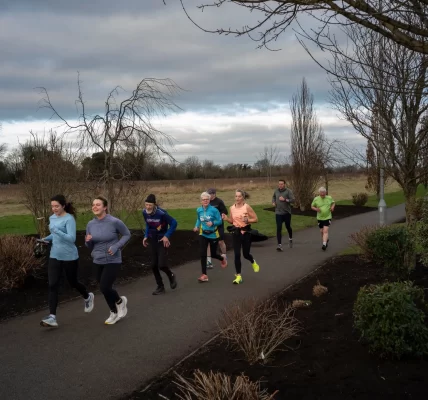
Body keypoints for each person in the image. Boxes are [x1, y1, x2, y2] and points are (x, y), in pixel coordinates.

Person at [40, 195, 94, 328]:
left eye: (57, 206)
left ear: (63, 206)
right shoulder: (52, 218)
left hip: (69, 256)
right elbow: (54, 234)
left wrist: (57, 231)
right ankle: (52, 317)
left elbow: (71, 239)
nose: (54, 209)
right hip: (55, 255)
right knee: (52, 285)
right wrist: (45, 239)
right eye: (52, 206)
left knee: (73, 282)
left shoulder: (69, 219)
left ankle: (87, 296)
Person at [85, 196, 131, 325]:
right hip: (97, 259)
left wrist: (116, 246)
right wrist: (87, 241)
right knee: (105, 288)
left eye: (98, 205)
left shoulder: (114, 222)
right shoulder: (90, 224)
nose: (95, 207)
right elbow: (90, 245)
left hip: (113, 259)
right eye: (93, 205)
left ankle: (113, 312)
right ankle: (120, 302)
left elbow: (127, 234)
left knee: (104, 286)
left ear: (105, 207)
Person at [142, 193, 178, 295]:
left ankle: (171, 275)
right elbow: (148, 225)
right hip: (152, 240)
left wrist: (167, 235)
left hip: (162, 240)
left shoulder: (162, 213)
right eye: (146, 205)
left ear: (154, 204)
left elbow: (174, 223)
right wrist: (145, 236)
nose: (148, 207)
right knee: (153, 265)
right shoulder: (144, 212)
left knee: (161, 265)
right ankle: (160, 287)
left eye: (150, 205)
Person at [221, 189, 259, 284]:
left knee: (246, 254)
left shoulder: (247, 207)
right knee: (237, 255)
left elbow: (255, 219)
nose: (237, 198)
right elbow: (232, 221)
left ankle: (253, 261)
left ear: (243, 197)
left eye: (239, 196)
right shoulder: (231, 208)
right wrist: (226, 219)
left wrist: (247, 220)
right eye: (236, 196)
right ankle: (238, 276)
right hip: (236, 233)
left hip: (246, 233)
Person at [193, 192, 227, 282]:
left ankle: (222, 258)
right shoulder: (199, 210)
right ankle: (204, 275)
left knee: (213, 254)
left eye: (207, 199)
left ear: (209, 200)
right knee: (202, 253)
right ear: (201, 201)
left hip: (213, 234)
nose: (205, 201)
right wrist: (196, 226)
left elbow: (219, 221)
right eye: (203, 199)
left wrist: (213, 223)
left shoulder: (214, 210)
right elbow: (198, 219)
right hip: (203, 234)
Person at [206, 188, 228, 268]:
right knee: (208, 242)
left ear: (213, 194)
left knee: (220, 241)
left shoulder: (219, 202)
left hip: (218, 225)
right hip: (209, 225)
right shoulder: (207, 202)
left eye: (209, 194)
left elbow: (225, 211)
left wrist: (219, 216)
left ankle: (224, 257)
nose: (208, 196)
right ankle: (209, 262)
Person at [272, 179, 295, 251]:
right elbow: (273, 197)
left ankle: (290, 238)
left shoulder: (288, 191)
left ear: (284, 184)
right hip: (278, 212)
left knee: (288, 226)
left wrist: (285, 199)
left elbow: (293, 200)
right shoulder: (276, 191)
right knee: (279, 228)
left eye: (282, 184)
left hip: (286, 213)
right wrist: (273, 202)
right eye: (279, 184)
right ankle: (279, 245)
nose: (280, 185)